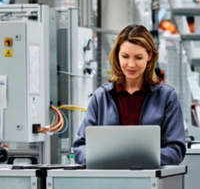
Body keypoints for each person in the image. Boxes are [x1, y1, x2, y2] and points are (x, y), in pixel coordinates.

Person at [73, 24, 186, 165]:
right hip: (106, 181)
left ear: (149, 56)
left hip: (150, 181)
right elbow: (80, 147)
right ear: (117, 56)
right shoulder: (101, 97)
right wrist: (101, 159)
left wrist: (137, 160)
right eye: (125, 57)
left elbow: (176, 150)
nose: (131, 65)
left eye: (138, 58)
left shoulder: (167, 97)